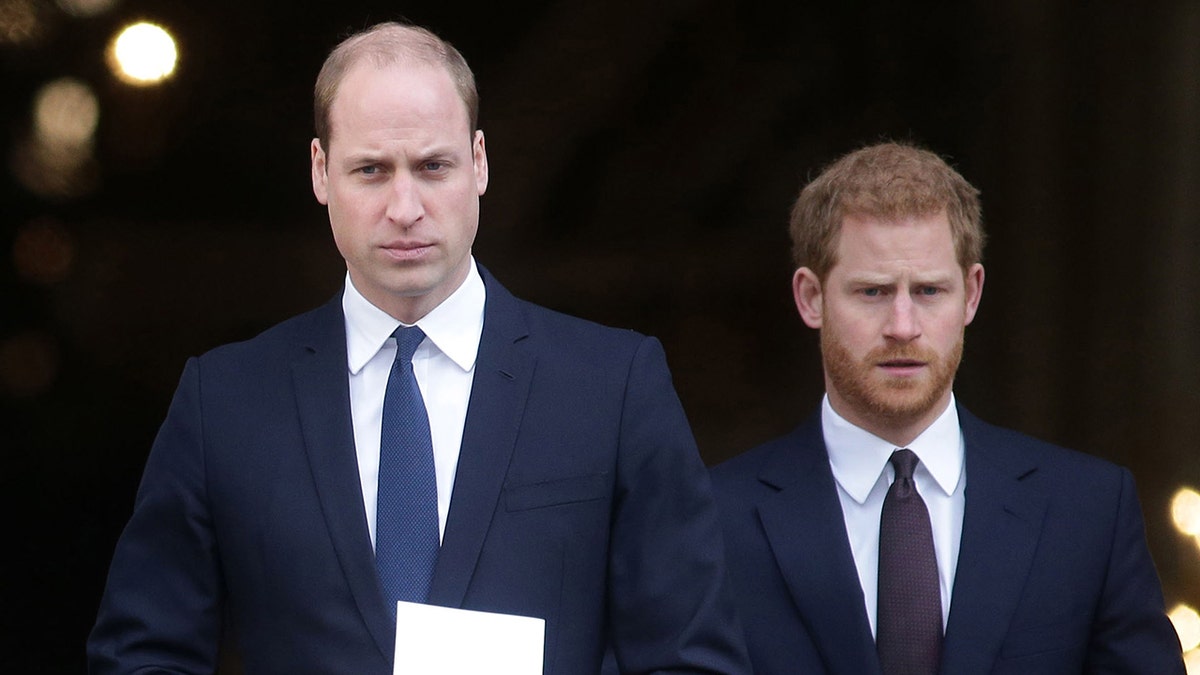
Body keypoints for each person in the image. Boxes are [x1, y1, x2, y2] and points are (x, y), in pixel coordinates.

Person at [88, 21, 749, 675]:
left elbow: (691, 658)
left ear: (480, 162)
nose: (405, 207)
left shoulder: (613, 385)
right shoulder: (226, 400)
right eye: (371, 170)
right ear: (321, 172)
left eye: (433, 166)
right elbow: (142, 655)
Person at [709, 141, 1185, 674]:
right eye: (872, 292)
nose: (903, 326)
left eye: (930, 290)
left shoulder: (1087, 512)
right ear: (811, 298)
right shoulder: (709, 520)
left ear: (972, 294)